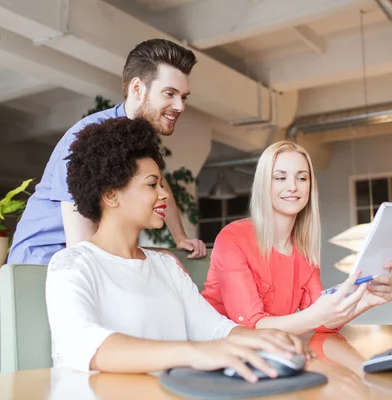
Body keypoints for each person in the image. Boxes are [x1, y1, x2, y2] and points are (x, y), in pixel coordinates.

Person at [45, 117, 309, 381]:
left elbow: (214, 328)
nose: (164, 195)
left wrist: (266, 339)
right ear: (111, 195)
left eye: (162, 184)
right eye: (152, 185)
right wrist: (194, 353)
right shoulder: (71, 265)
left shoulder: (166, 266)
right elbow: (87, 345)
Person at [8, 39, 206, 265]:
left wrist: (180, 237)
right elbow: (80, 249)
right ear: (137, 89)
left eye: (184, 97)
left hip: (82, 260)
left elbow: (160, 184)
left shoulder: (138, 138)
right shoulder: (88, 138)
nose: (180, 106)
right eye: (169, 93)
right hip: (42, 261)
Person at [201, 141, 392, 334]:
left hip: (269, 353)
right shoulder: (233, 238)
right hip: (216, 352)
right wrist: (316, 316)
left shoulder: (304, 250)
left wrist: (366, 299)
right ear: (264, 185)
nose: (292, 187)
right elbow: (249, 327)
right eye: (280, 178)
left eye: (302, 178)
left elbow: (322, 322)